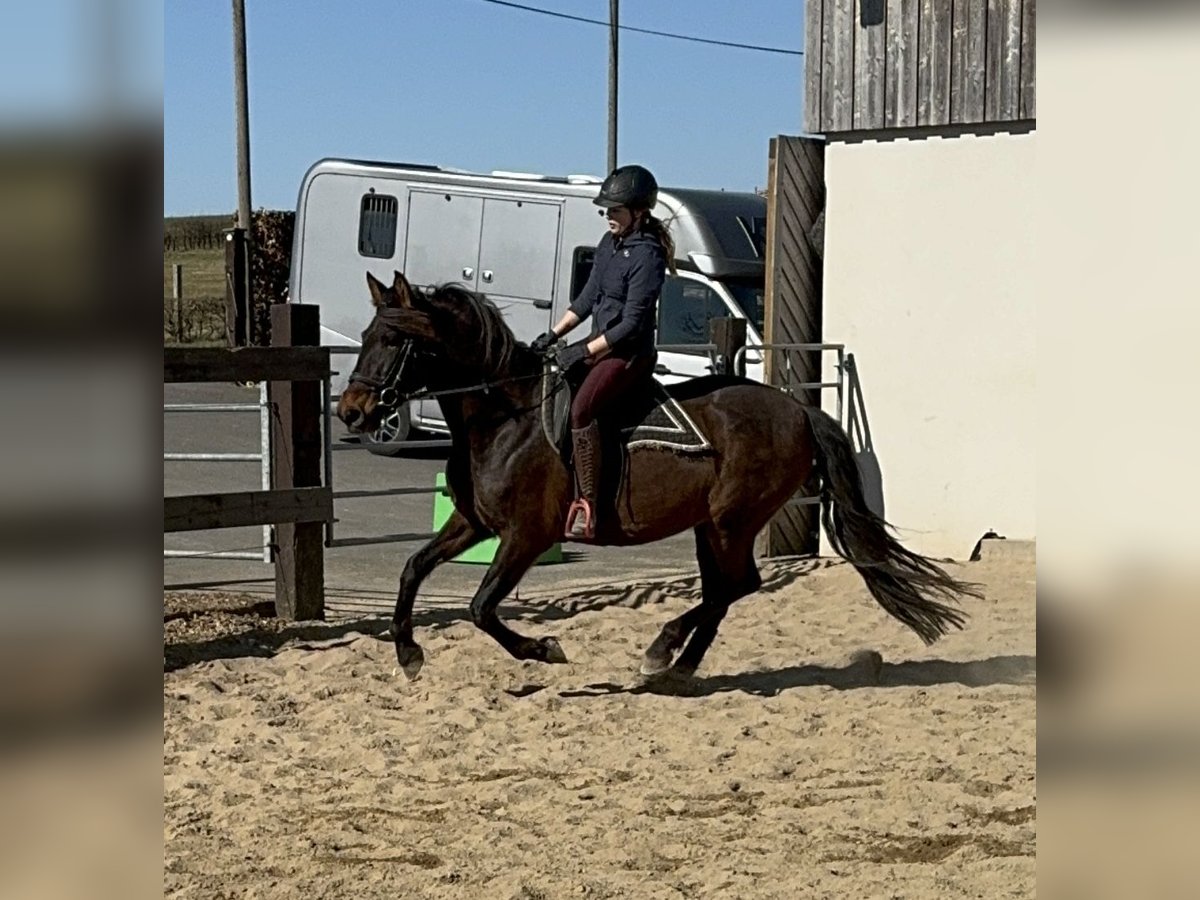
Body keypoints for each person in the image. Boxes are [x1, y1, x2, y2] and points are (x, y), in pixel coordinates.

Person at [530, 164, 676, 540]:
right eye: (606, 210)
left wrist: (583, 351)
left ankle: (588, 504)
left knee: (581, 409)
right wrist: (553, 334)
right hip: (602, 347)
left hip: (628, 354)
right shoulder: (609, 244)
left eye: (615, 210)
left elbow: (630, 324)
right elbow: (586, 299)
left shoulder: (649, 255)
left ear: (639, 213)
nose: (608, 215)